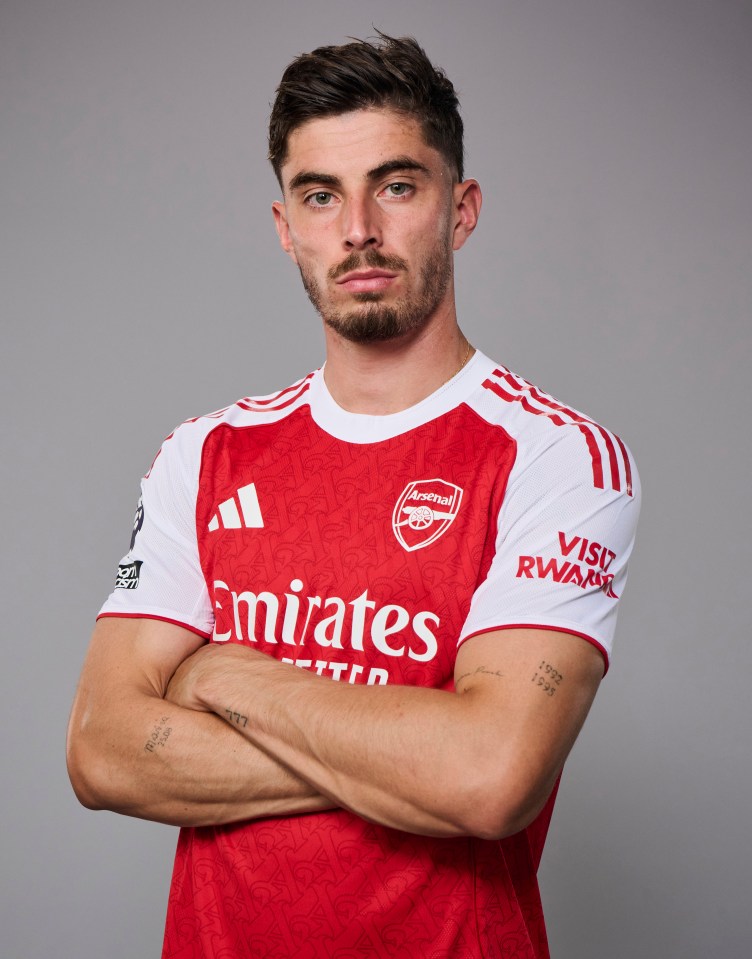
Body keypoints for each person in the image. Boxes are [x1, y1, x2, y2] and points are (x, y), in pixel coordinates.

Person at [67, 33, 640, 959]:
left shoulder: (558, 456)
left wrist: (224, 673)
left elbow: (490, 776)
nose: (358, 227)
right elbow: (101, 750)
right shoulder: (203, 454)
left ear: (463, 209)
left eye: (398, 185)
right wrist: (411, 748)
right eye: (320, 194)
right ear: (284, 225)